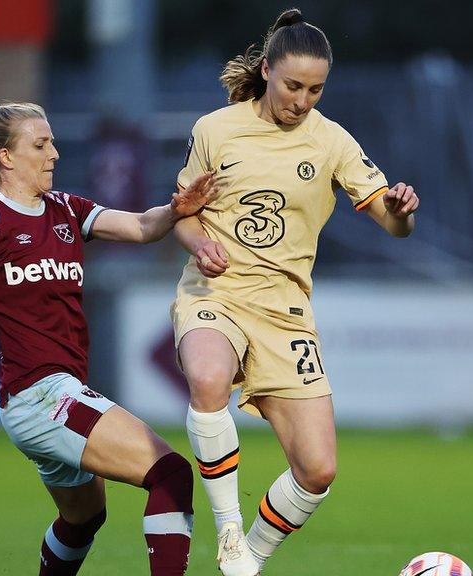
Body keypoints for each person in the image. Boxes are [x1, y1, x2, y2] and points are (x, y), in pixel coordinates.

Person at [0, 102, 218, 576]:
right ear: (6, 158)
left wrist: (177, 209)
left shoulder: (65, 210)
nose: (54, 153)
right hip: (40, 394)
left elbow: (141, 226)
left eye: (52, 141)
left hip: (49, 396)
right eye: (40, 144)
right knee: (172, 473)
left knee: (85, 517)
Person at [171, 8, 420, 576]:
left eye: (315, 89)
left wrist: (402, 212)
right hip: (218, 291)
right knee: (207, 379)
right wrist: (196, 243)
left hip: (285, 311)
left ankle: (249, 560)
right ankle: (229, 531)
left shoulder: (331, 141)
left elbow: (392, 222)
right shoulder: (216, 129)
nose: (302, 100)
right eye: (292, 86)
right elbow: (182, 213)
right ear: (266, 71)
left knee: (317, 470)